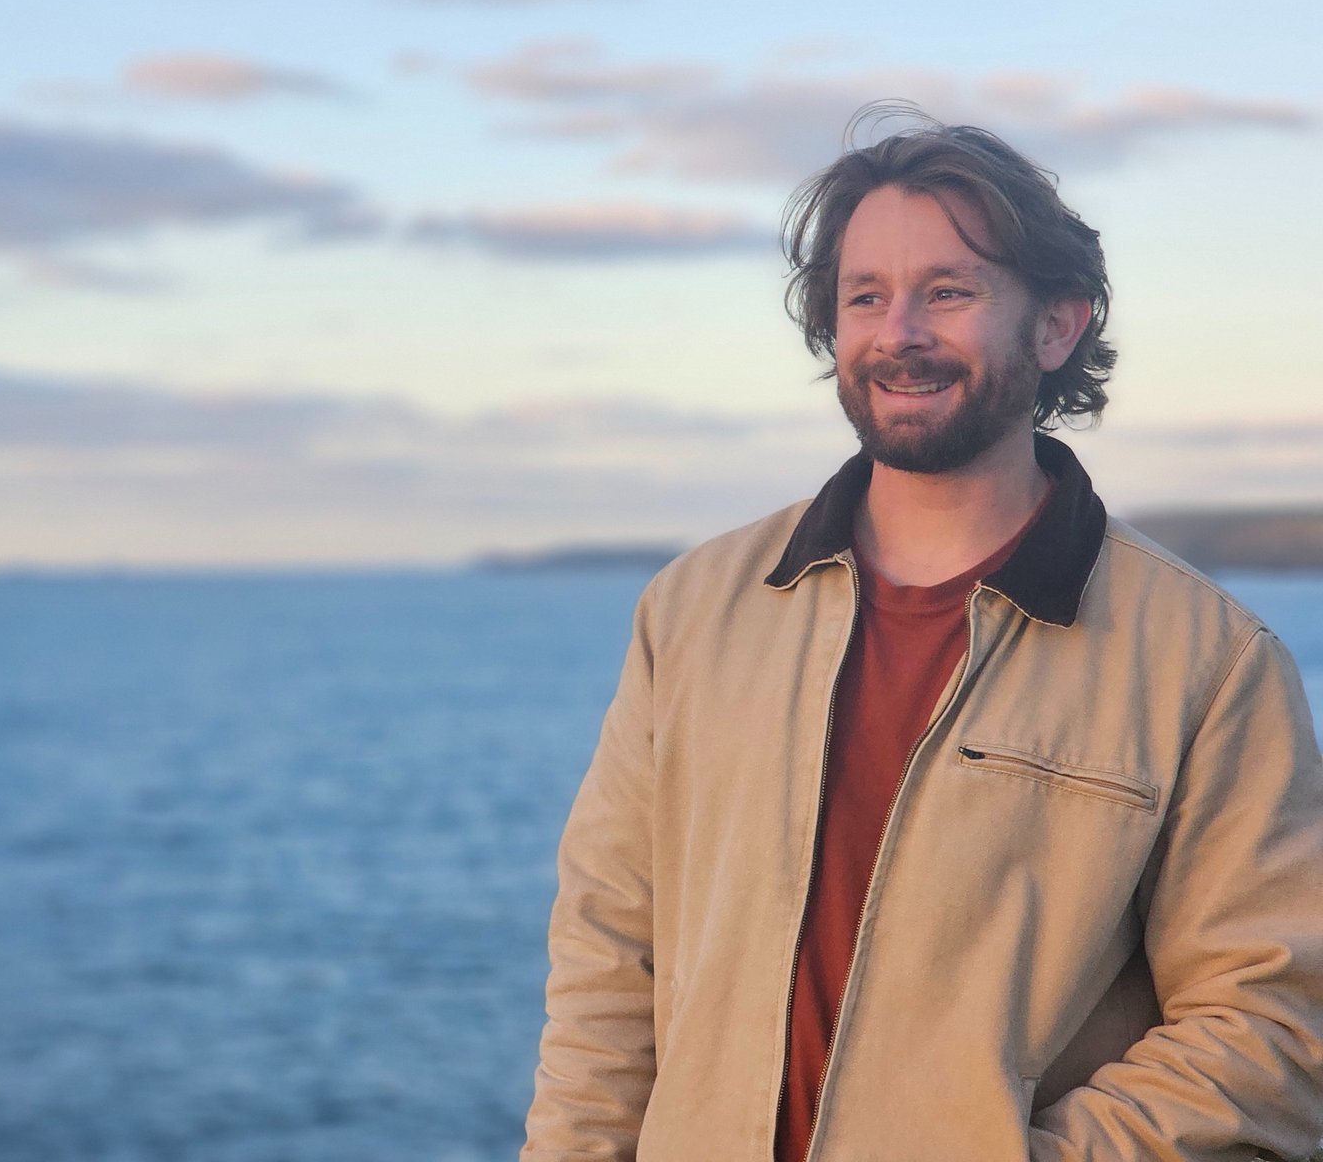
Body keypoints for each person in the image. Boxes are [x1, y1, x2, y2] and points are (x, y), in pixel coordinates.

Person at [519, 113, 1323, 1161]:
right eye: (866, 296)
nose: (898, 333)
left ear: (1057, 326)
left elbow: (1273, 1028)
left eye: (948, 292)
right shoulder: (694, 612)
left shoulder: (1206, 662)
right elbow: (607, 969)